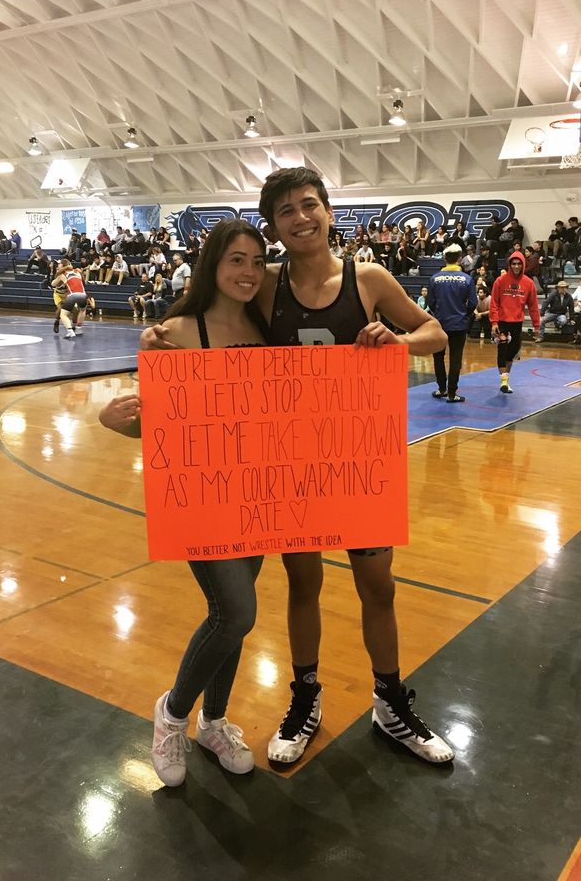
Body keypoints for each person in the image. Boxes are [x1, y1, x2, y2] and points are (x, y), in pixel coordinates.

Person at [142, 167, 453, 767]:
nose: (300, 217)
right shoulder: (265, 285)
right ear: (275, 227)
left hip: (360, 461)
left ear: (330, 210)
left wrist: (400, 343)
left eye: (309, 204)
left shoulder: (369, 279)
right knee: (302, 584)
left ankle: (391, 705)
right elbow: (212, 314)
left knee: (378, 588)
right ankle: (304, 700)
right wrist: (163, 343)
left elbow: (436, 333)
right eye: (286, 211)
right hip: (290, 468)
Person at [100, 219, 269, 787]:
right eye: (236, 261)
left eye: (255, 261)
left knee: (236, 621)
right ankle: (173, 714)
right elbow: (161, 429)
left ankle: (214, 722)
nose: (247, 273)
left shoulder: (267, 328)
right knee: (236, 612)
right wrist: (112, 420)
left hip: (260, 493)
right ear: (213, 267)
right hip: (203, 496)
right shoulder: (175, 333)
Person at [427, 244, 477, 402]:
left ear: (444, 259)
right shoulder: (467, 279)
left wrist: (439, 314)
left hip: (440, 324)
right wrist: (464, 314)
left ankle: (441, 388)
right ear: (460, 259)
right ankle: (451, 393)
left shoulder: (434, 279)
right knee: (456, 359)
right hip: (459, 325)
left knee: (438, 357)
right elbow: (473, 303)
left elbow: (430, 302)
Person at [489, 250, 540, 393]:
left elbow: (533, 306)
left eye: (518, 264)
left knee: (512, 352)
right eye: (513, 264)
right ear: (509, 265)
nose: (516, 266)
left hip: (517, 322)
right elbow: (494, 302)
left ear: (523, 265)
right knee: (502, 348)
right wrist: (494, 322)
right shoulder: (500, 281)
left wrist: (537, 325)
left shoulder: (528, 283)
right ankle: (503, 382)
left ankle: (506, 378)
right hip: (501, 321)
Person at [50, 259, 87, 338]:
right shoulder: (77, 272)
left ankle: (71, 329)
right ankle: (76, 327)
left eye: (59, 266)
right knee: (81, 310)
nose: (58, 268)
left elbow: (53, 283)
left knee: (69, 313)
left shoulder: (62, 274)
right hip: (60, 295)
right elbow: (53, 283)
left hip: (70, 295)